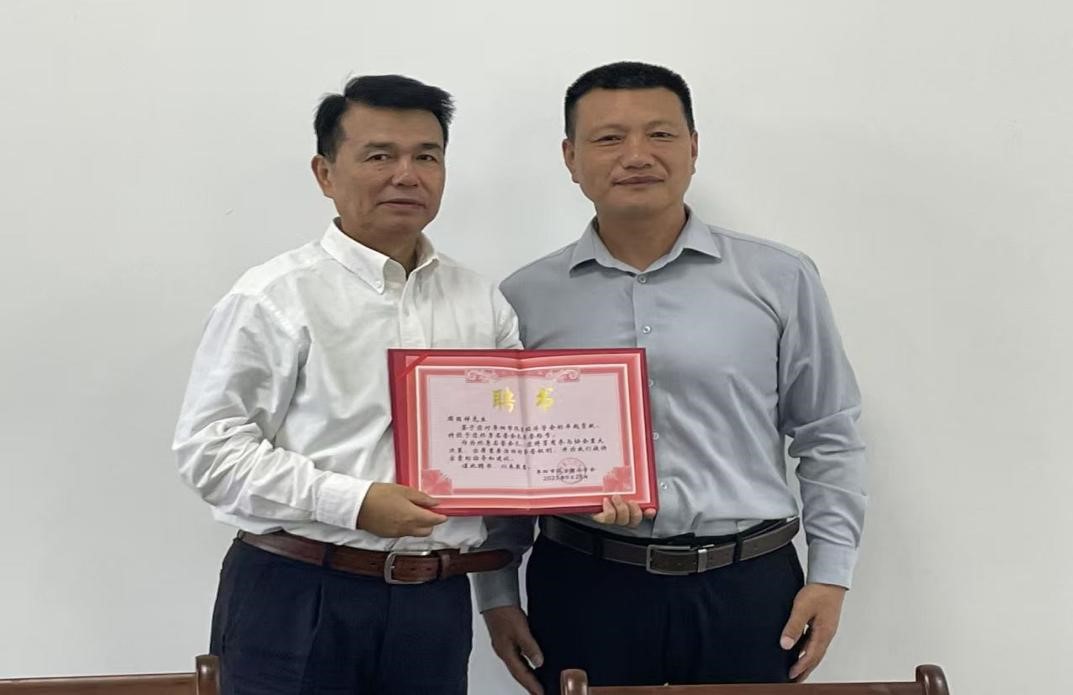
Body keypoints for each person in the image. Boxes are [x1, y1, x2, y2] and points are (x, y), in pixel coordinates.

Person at [475, 61, 867, 693]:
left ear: (693, 147)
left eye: (660, 134)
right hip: (584, 583)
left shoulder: (779, 278)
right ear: (571, 158)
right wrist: (495, 594)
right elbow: (505, 462)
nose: (637, 155)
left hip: (748, 586)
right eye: (609, 138)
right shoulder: (523, 298)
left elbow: (829, 433)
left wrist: (831, 575)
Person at [173, 74, 520, 695]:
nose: (406, 175)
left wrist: (591, 483)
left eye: (427, 157)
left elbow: (517, 438)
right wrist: (353, 502)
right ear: (325, 173)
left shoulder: (480, 301)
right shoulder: (274, 296)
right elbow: (211, 453)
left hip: (434, 600)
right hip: (297, 593)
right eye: (379, 156)